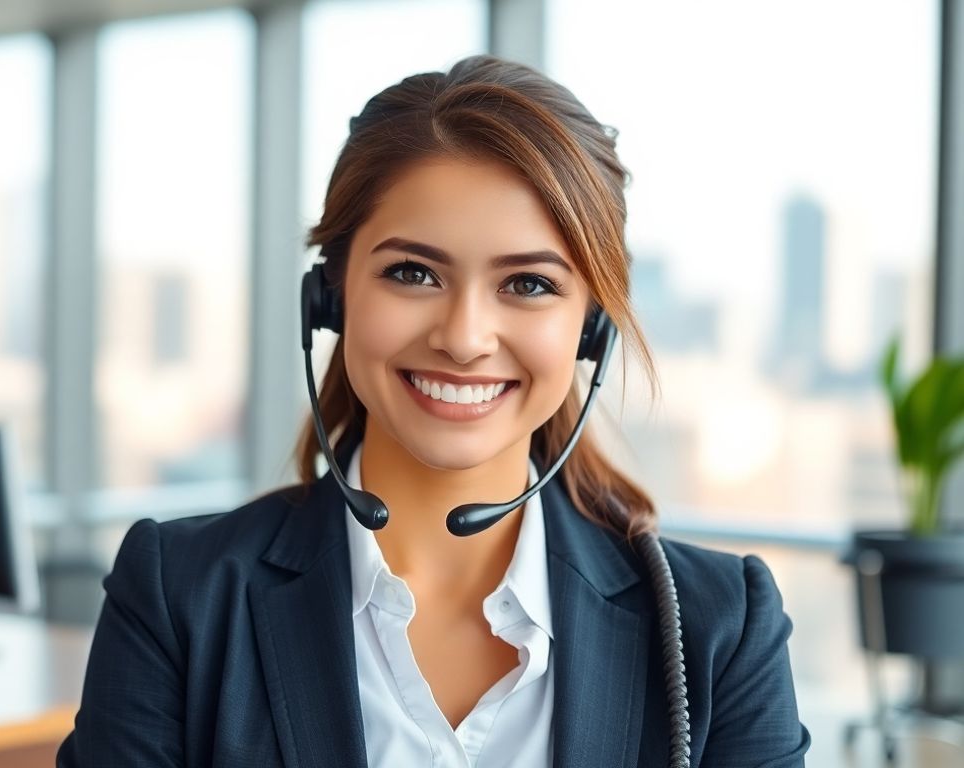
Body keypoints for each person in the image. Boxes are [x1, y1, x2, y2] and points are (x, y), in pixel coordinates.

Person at [57, 54, 810, 767]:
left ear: (590, 327)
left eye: (528, 285)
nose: (463, 338)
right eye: (414, 273)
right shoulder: (181, 596)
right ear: (332, 297)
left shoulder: (717, 628)